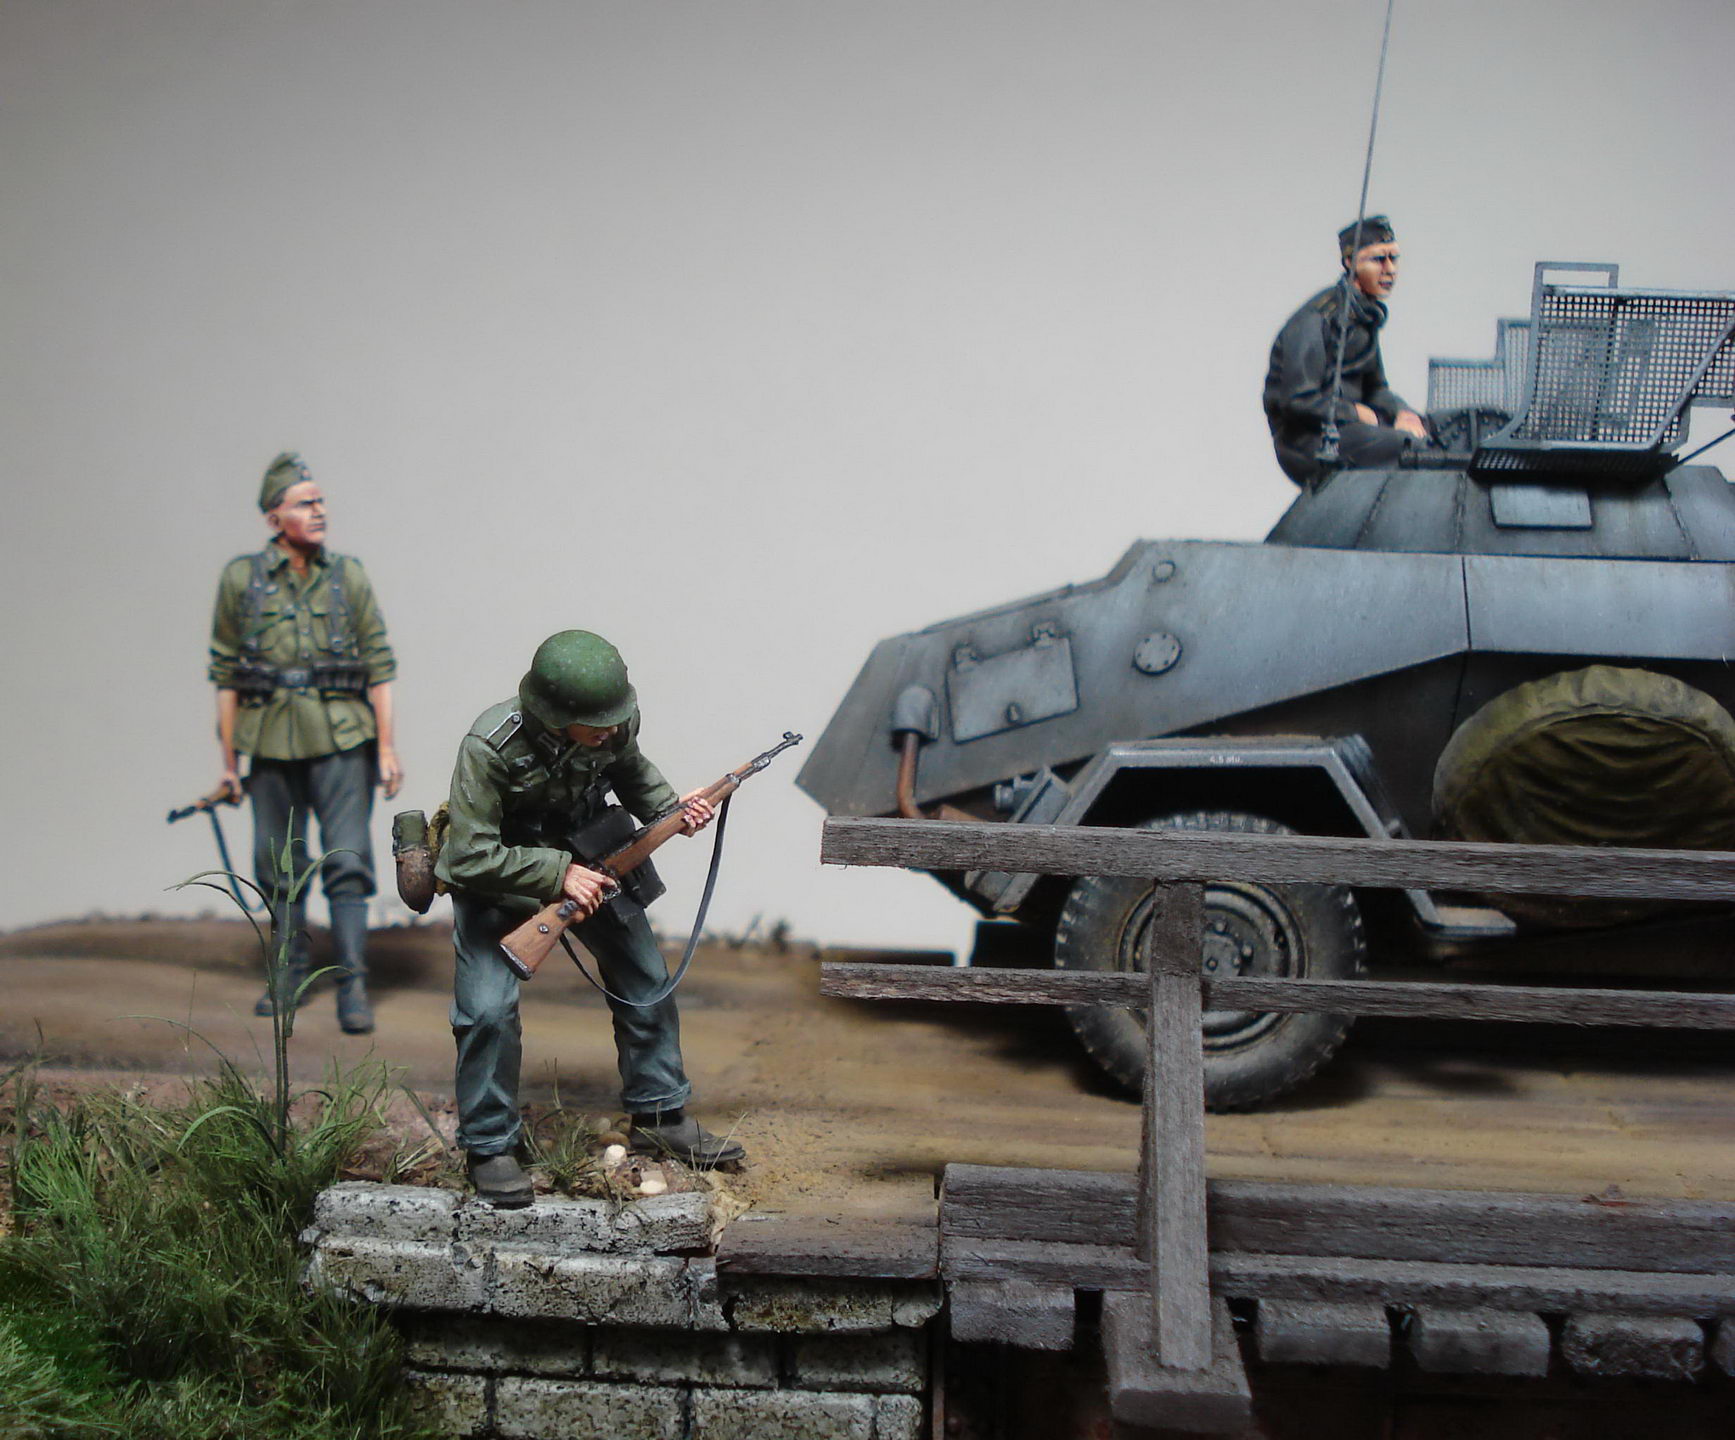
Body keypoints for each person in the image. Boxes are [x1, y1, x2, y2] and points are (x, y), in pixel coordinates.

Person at [435, 629, 746, 1207]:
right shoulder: (490, 746)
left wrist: (678, 811)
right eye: (595, 723)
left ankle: (660, 1113)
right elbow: (467, 856)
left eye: (614, 719)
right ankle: (489, 1146)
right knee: (486, 1011)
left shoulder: (614, 725)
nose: (610, 730)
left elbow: (634, 774)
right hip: (502, 876)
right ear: (554, 718)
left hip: (594, 861)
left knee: (645, 978)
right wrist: (558, 874)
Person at [208, 452, 401, 1034]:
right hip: (268, 739)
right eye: (304, 503)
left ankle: (352, 982)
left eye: (320, 501)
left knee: (347, 859)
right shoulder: (242, 581)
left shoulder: (348, 576)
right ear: (274, 517)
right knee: (278, 865)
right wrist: (228, 764)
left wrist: (386, 749)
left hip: (342, 737)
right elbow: (225, 675)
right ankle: (288, 973)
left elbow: (380, 667)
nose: (319, 511)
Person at [1263, 215, 1431, 488]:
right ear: (1350, 263)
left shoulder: (1364, 316)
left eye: (1394, 258)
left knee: (1437, 431)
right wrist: (1356, 413)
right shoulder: (1315, 320)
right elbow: (1297, 400)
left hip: (1351, 428)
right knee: (1409, 446)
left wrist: (1402, 412)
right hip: (1310, 441)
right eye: (1378, 260)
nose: (1390, 269)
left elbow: (1375, 388)